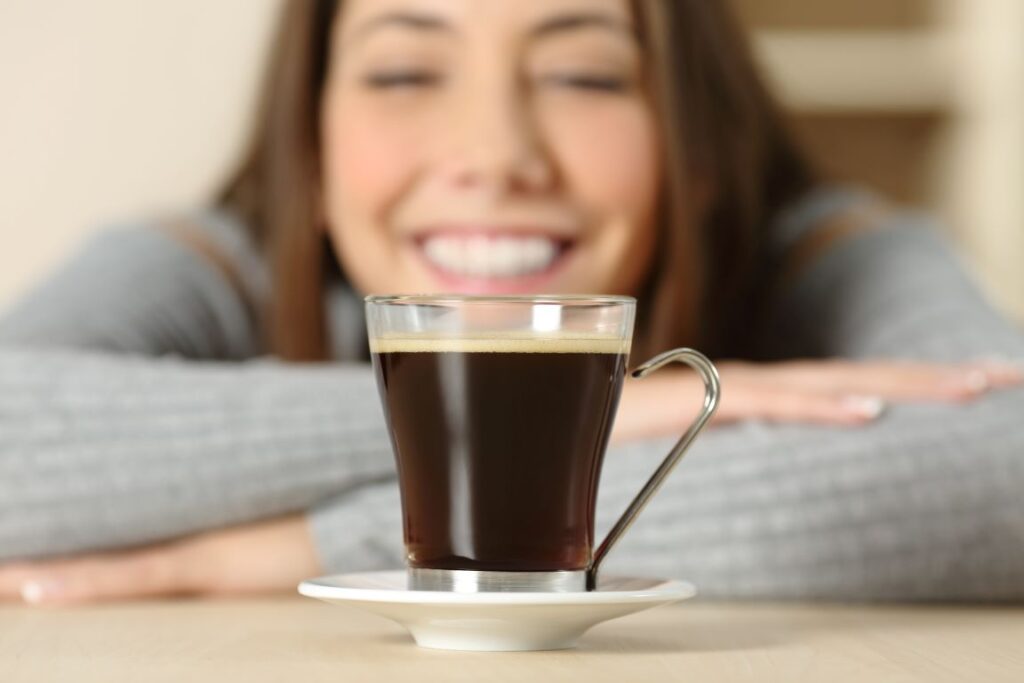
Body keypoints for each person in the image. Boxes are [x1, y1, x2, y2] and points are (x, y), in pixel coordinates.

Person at [1, 0, 1022, 606]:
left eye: (583, 75)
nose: (495, 156)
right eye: (404, 71)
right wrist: (583, 415)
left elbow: (1004, 458)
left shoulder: (822, 252)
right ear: (306, 147)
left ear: (697, 148)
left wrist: (304, 549)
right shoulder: (213, 268)